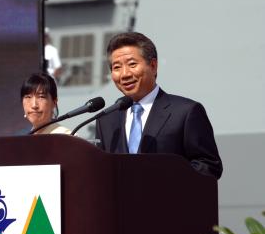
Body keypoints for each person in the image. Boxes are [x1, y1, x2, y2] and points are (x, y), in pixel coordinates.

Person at [95, 32, 223, 179]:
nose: (124, 74)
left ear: (153, 66)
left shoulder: (186, 112)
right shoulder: (106, 120)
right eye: (116, 67)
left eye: (132, 64)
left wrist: (163, 180)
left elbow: (209, 165)